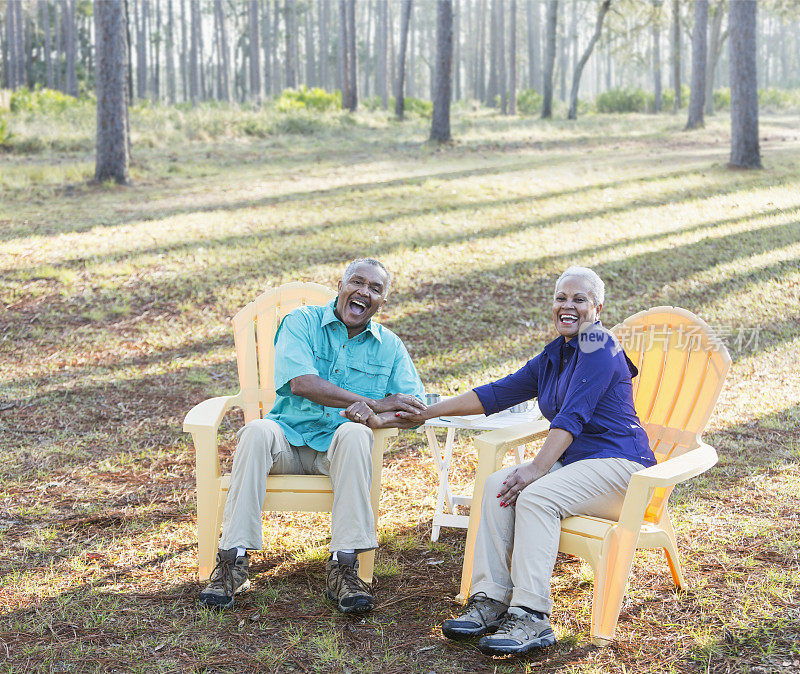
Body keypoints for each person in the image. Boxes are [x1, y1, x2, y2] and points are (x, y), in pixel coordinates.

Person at [394, 266, 656, 656]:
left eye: (579, 299)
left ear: (598, 308)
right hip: (577, 466)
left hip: (623, 470)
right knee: (498, 485)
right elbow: (496, 394)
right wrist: (427, 412)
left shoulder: (599, 343)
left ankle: (532, 615)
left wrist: (535, 469)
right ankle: (491, 600)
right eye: (561, 298)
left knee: (535, 495)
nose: (568, 306)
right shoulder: (557, 354)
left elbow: (572, 416)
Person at [199, 258, 426, 612]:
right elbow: (302, 383)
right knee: (256, 432)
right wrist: (374, 402)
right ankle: (232, 562)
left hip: (337, 451)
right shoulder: (301, 322)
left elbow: (416, 409)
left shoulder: (390, 346)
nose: (364, 291)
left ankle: (344, 568)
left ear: (383, 302)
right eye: (357, 282)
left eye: (375, 288)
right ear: (341, 284)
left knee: (355, 434)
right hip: (286, 439)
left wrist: (380, 419)